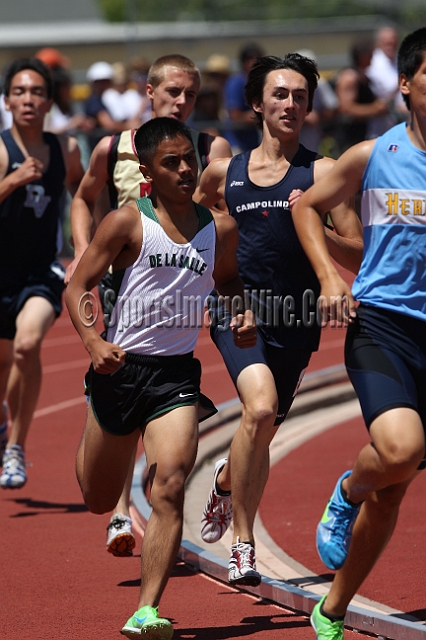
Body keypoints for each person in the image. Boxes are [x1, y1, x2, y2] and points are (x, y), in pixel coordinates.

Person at [65, 117, 256, 638]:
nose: (184, 170)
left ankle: (146, 609)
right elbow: (79, 285)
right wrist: (93, 343)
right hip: (120, 369)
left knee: (170, 483)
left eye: (189, 159)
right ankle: (94, 442)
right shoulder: (128, 222)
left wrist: (240, 310)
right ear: (146, 171)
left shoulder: (219, 227)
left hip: (174, 376)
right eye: (170, 162)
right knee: (99, 499)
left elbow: (229, 277)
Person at [196, 53, 363, 587]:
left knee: (261, 430)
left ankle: (225, 479)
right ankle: (242, 544)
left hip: (295, 318)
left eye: (299, 96)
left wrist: (309, 216)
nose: (290, 103)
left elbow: (357, 253)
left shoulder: (322, 173)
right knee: (261, 408)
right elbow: (194, 221)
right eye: (279, 94)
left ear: (310, 106)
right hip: (238, 311)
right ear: (255, 104)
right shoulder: (226, 173)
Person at [66, 53, 232, 557]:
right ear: (150, 92)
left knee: (162, 403)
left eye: (191, 95)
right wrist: (81, 250)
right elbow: (83, 196)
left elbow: (221, 217)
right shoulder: (111, 147)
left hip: (175, 284)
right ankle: (118, 510)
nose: (182, 102)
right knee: (121, 396)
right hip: (120, 282)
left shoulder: (210, 147)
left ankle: (150, 507)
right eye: (173, 93)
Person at [291, 27, 426, 640]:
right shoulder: (374, 155)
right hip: (385, 324)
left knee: (394, 491)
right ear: (406, 84)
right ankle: (347, 489)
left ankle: (333, 609)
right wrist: (327, 276)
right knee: (398, 452)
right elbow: (303, 205)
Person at [0, 57, 84, 487]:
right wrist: (11, 181)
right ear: (7, 100)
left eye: (36, 92)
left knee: (26, 346)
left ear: (50, 100)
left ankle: (15, 447)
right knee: (3, 363)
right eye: (19, 92)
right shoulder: (0, 150)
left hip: (41, 270)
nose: (28, 100)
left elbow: (85, 197)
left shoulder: (65, 150)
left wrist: (83, 248)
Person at [333, 37, 390, 155]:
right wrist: (375, 109)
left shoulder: (364, 77)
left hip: (362, 136)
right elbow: (346, 109)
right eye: (371, 54)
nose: (373, 57)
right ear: (363, 56)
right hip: (349, 140)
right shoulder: (350, 77)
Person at [366, 26, 408, 137]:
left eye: (394, 42)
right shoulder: (373, 64)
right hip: (381, 122)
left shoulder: (401, 60)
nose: (391, 45)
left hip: (403, 119)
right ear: (379, 42)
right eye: (387, 42)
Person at [224, 43, 264, 153]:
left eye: (258, 59)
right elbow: (235, 116)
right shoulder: (235, 82)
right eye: (250, 58)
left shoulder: (260, 84)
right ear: (243, 62)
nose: (255, 62)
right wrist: (263, 114)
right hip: (237, 145)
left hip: (253, 144)